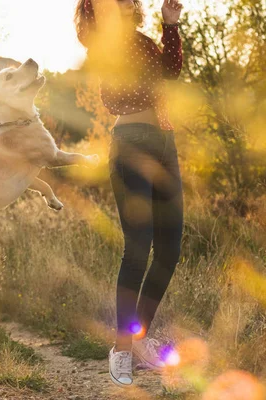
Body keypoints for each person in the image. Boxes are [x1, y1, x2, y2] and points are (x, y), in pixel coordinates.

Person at [74, 0, 184, 387]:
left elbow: (171, 72)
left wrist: (170, 25)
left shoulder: (141, 40)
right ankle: (121, 348)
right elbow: (117, 95)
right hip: (132, 144)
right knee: (138, 248)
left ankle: (139, 340)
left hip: (166, 146)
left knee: (170, 250)